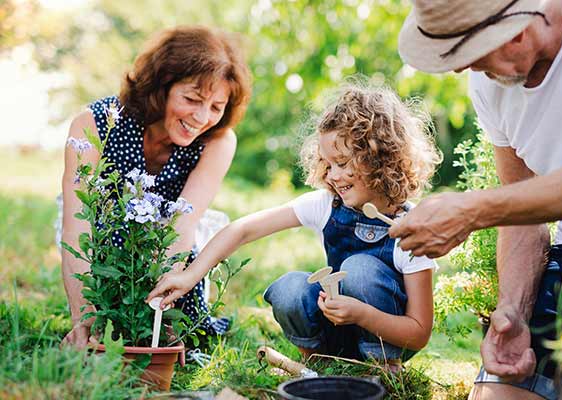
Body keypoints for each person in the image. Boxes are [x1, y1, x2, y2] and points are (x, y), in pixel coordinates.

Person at [396, 0, 562, 399]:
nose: (461, 69)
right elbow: (523, 215)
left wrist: (471, 210)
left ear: (515, 31)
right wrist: (514, 311)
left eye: (470, 54)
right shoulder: (490, 86)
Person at [147, 84, 442, 368]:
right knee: (290, 288)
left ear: (379, 158)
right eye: (327, 164)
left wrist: (362, 314)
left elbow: (418, 333)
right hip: (336, 326)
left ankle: (383, 365)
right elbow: (243, 230)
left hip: (385, 335)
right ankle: (315, 358)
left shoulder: (410, 230)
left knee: (361, 270)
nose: (333, 175)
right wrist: (190, 275)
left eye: (342, 163)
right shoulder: (327, 204)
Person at [60, 25, 252, 348]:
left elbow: (183, 222)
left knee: (185, 331)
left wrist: (158, 304)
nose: (202, 117)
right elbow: (76, 227)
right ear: (162, 87)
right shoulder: (92, 124)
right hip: (103, 244)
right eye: (192, 99)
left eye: (216, 107)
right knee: (103, 319)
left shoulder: (218, 141)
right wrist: (84, 318)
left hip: (165, 247)